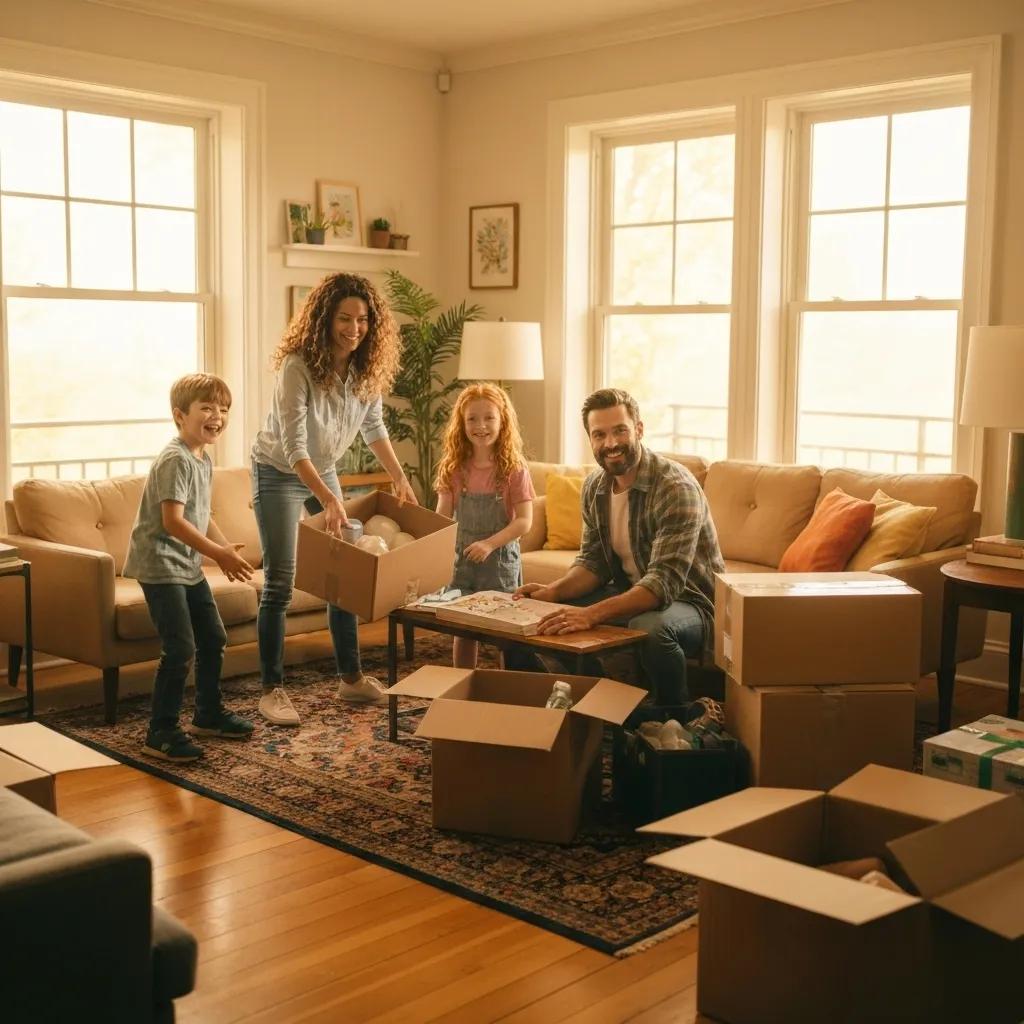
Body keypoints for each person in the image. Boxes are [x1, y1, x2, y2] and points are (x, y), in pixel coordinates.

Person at [251, 272, 416, 726]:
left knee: (344, 572)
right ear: (325, 318)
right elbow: (293, 448)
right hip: (278, 471)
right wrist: (329, 499)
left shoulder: (366, 368)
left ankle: (351, 679)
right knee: (281, 581)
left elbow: (373, 426)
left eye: (363, 319)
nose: (354, 328)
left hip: (320, 468)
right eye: (344, 318)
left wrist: (398, 476)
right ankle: (272, 689)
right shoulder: (298, 366)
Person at [513, 387, 724, 704]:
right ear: (590, 439)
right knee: (540, 618)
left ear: (638, 429)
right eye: (599, 435)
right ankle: (593, 706)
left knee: (649, 628)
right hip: (632, 591)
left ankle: (674, 718)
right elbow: (593, 564)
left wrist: (591, 614)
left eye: (619, 431)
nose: (610, 444)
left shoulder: (675, 487)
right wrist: (552, 593)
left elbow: (661, 585)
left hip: (691, 603)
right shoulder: (595, 487)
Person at [124, 373, 256, 763]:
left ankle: (208, 714)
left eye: (224, 409)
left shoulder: (202, 457)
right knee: (180, 647)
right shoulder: (175, 459)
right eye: (207, 408)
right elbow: (173, 522)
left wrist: (221, 546)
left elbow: (201, 514)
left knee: (213, 638)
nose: (217, 416)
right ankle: (160, 732)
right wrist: (218, 553)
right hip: (160, 566)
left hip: (187, 566)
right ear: (180, 415)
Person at [435, 383, 535, 667]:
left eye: (489, 417)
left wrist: (490, 544)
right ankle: (462, 686)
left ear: (502, 421)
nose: (481, 425)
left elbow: (525, 521)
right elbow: (442, 517)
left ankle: (506, 691)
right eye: (472, 418)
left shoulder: (514, 469)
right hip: (462, 563)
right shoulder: (453, 468)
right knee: (464, 630)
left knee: (505, 632)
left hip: (500, 563)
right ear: (461, 423)